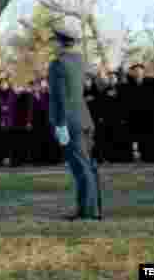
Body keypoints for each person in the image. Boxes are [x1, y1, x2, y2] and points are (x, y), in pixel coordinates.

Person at [47, 21, 101, 221]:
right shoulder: (79, 61)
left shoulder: (58, 64)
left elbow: (59, 97)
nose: (52, 44)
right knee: (88, 166)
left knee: (80, 168)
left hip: (69, 122)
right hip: (84, 119)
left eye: (54, 40)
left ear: (61, 42)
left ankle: (88, 212)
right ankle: (91, 208)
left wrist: (60, 124)